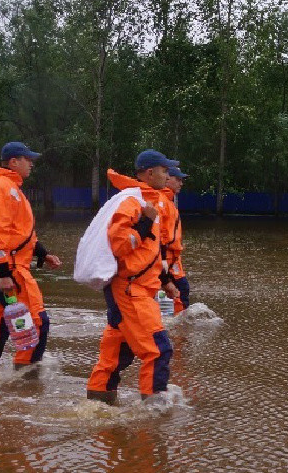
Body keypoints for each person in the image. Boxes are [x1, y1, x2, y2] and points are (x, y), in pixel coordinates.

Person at [86, 150, 181, 405]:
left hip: (139, 289)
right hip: (130, 291)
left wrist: (165, 282)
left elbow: (149, 253)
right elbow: (119, 245)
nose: (168, 175)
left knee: (116, 354)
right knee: (159, 350)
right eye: (165, 170)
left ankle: (97, 404)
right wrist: (145, 222)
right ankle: (154, 417)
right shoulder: (132, 202)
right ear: (150, 172)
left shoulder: (148, 201)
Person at [0, 142, 61, 374]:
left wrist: (43, 253)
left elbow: (18, 233)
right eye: (27, 159)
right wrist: (3, 273)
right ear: (13, 162)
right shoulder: (1, 187)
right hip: (6, 268)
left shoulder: (6, 186)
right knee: (37, 321)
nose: (31, 164)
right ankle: (26, 376)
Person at [160, 166, 191, 314]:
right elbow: (161, 236)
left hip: (174, 259)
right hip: (168, 259)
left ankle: (177, 328)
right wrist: (163, 262)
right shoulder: (163, 201)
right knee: (180, 290)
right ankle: (179, 332)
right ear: (167, 179)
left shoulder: (169, 200)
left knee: (181, 290)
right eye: (177, 179)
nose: (181, 183)